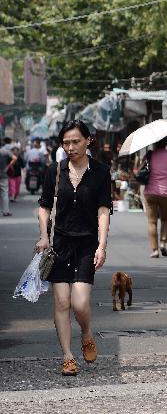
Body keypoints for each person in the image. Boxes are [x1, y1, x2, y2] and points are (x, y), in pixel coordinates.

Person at [34, 120, 112, 377]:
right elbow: (44, 206)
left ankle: (87, 333)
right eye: (66, 142)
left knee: (80, 303)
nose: (70, 147)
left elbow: (103, 210)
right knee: (61, 301)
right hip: (60, 245)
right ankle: (67, 356)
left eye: (75, 141)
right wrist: (43, 236)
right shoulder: (54, 172)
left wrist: (102, 245)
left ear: (88, 140)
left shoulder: (101, 172)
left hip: (87, 245)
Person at [141, 137, 167, 258]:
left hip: (150, 192)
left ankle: (155, 250)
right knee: (165, 219)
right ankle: (163, 243)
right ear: (166, 143)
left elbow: (141, 170)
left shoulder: (148, 156)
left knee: (152, 222)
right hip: (166, 193)